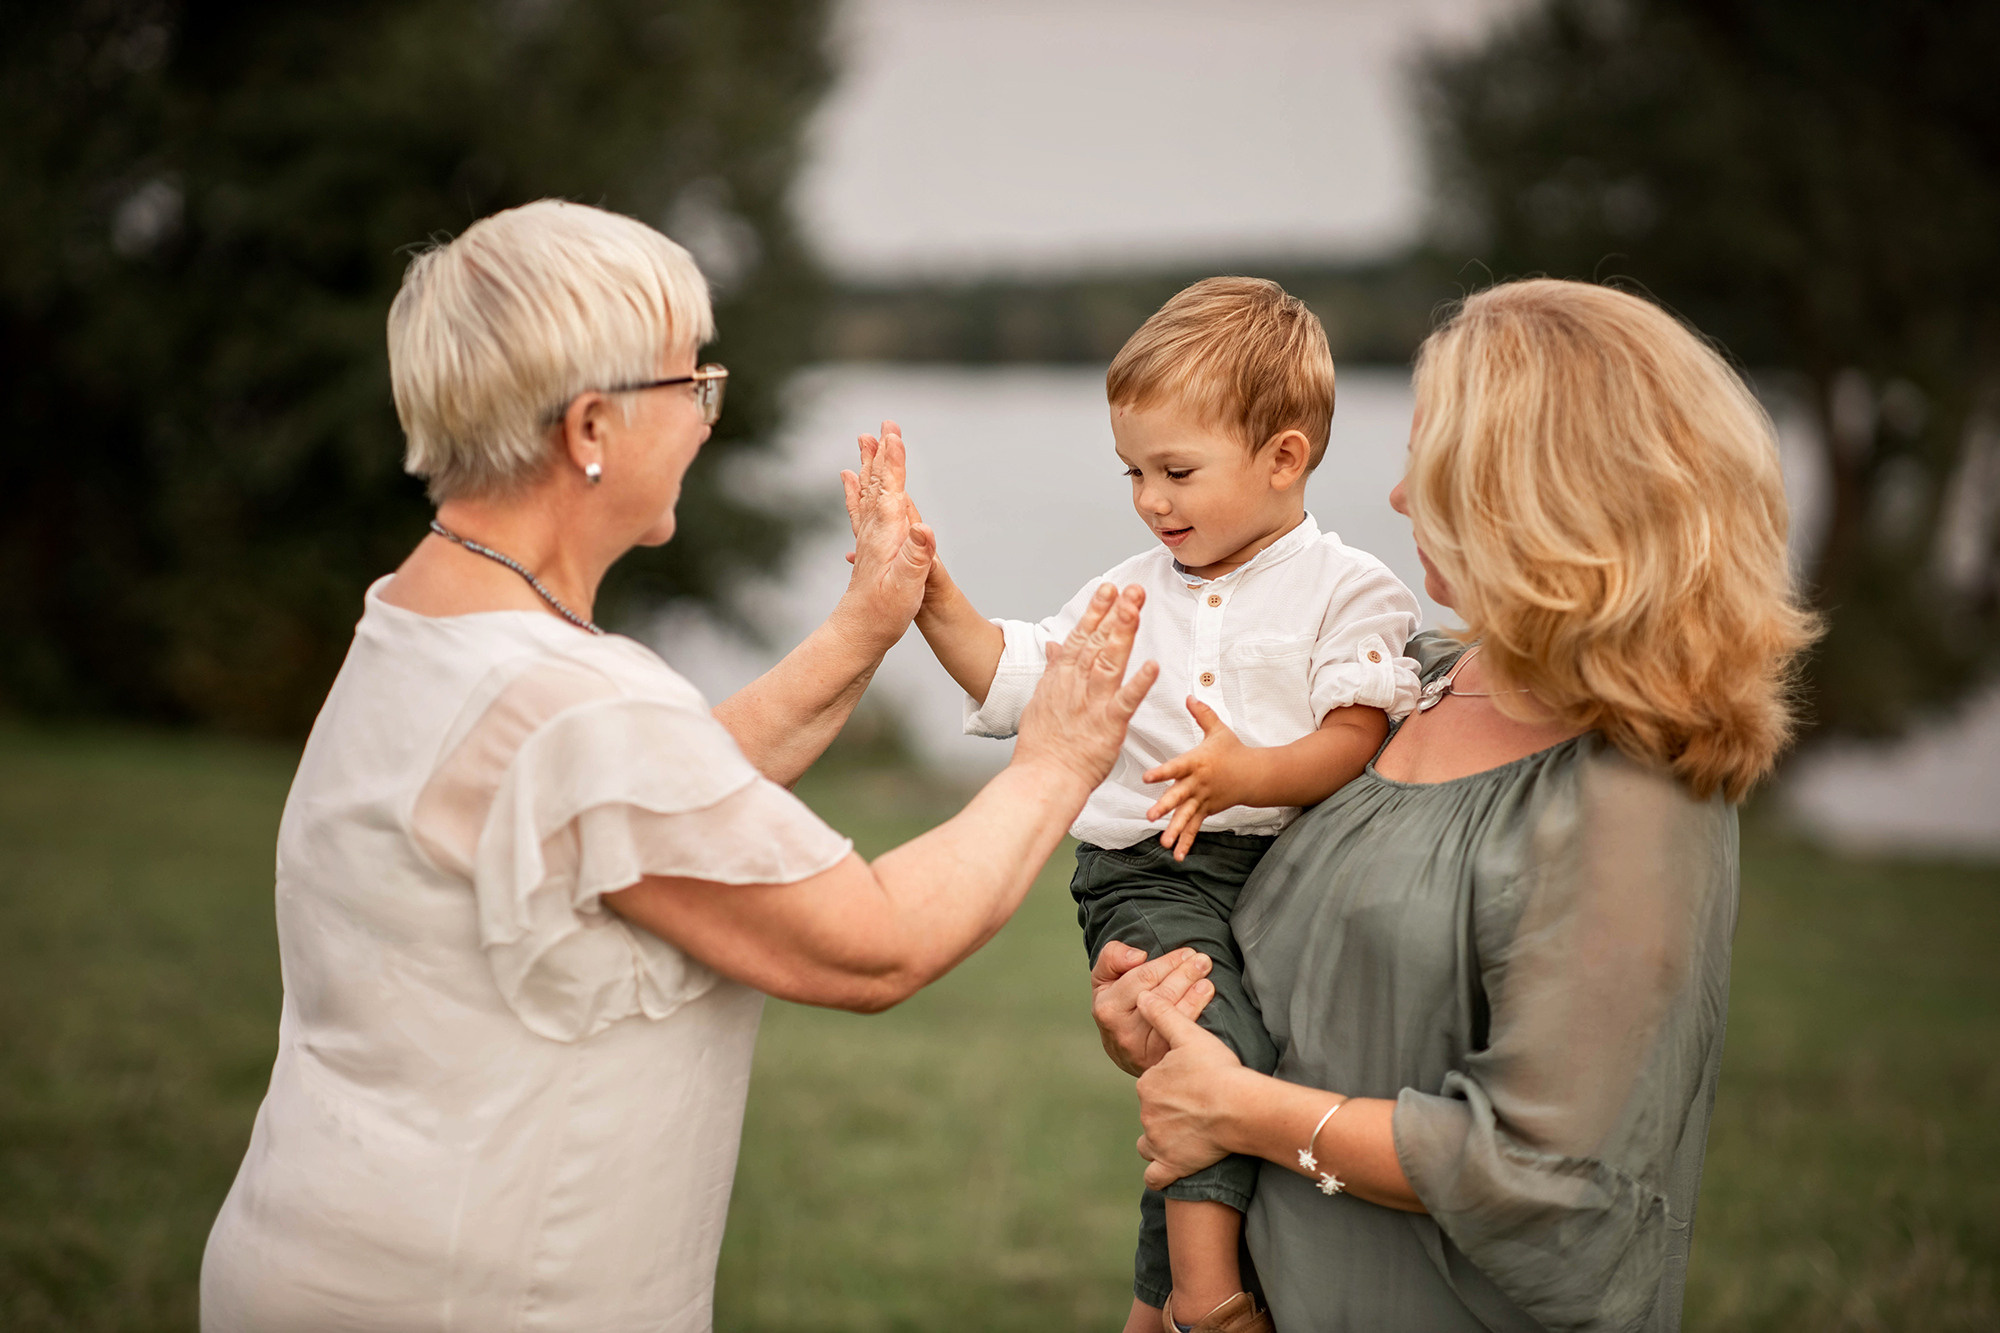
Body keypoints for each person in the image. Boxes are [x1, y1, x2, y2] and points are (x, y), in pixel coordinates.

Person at [198, 199, 1167, 1332]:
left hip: (319, 1255)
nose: (708, 418)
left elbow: (650, 802)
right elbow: (877, 944)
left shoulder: (421, 623)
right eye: (690, 384)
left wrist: (866, 624)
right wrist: (1057, 759)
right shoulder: (578, 710)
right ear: (590, 426)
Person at [1093, 278, 1820, 1331]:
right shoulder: (1403, 681)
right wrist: (1161, 1013)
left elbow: (1549, 1174)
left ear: (1536, 497)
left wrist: (1243, 1111)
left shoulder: (1631, 789)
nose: (1395, 499)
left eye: (1428, 465)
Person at [914, 277, 1423, 1333]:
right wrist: (928, 593)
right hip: (1154, 867)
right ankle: (1208, 1300)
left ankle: (1154, 1312)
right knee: (1208, 1046)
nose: (1150, 499)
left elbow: (1352, 734)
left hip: (1283, 875)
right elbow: (1016, 675)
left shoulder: (1350, 590)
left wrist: (1248, 774)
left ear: (1284, 457)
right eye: (1133, 471)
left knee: (1256, 1076)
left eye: (1176, 471)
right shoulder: (1129, 591)